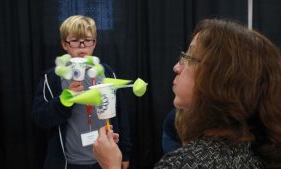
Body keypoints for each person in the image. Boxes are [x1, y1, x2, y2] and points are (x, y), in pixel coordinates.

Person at [92, 18, 281, 169]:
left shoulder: (182, 164)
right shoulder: (254, 149)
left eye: (188, 58)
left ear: (219, 79)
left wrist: (111, 166)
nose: (176, 67)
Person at [32, 15, 131, 169]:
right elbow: (40, 119)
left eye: (87, 40)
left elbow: (120, 113)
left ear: (95, 43)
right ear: (65, 44)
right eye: (75, 40)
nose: (82, 45)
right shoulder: (52, 78)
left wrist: (124, 152)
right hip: (69, 163)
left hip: (104, 161)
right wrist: (63, 101)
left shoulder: (107, 73)